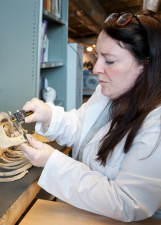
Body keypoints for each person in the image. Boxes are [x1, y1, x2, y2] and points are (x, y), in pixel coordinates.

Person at [20, 10, 161, 222]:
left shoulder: (156, 123)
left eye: (110, 61)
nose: (96, 69)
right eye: (97, 57)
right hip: (87, 211)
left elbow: (127, 202)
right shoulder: (110, 91)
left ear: (145, 64)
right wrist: (49, 115)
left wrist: (53, 163)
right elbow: (82, 126)